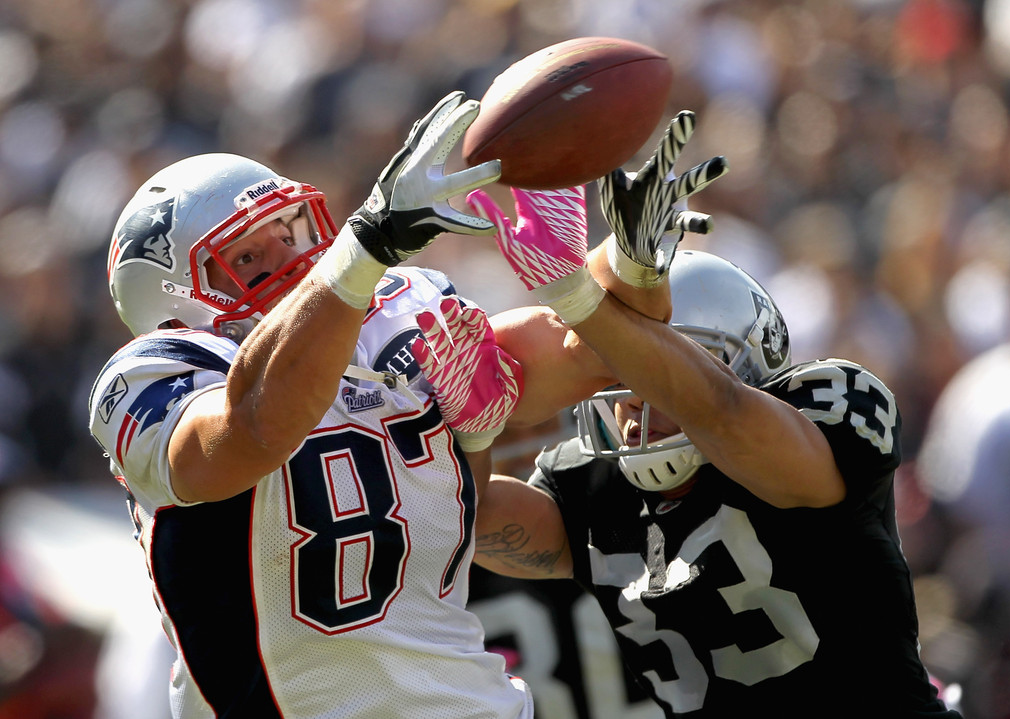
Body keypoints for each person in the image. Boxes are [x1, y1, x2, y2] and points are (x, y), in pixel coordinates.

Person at [412, 112, 963, 716]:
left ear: (749, 365)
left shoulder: (826, 405)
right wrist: (474, 430)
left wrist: (576, 294)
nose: (633, 394)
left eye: (652, 366)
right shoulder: (594, 486)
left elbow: (722, 411)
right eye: (619, 372)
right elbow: (472, 515)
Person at [86, 91, 616, 719]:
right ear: (176, 299)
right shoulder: (154, 374)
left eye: (289, 233)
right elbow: (253, 429)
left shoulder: (394, 309)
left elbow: (591, 358)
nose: (294, 261)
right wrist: (362, 252)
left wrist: (607, 281)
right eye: (249, 257)